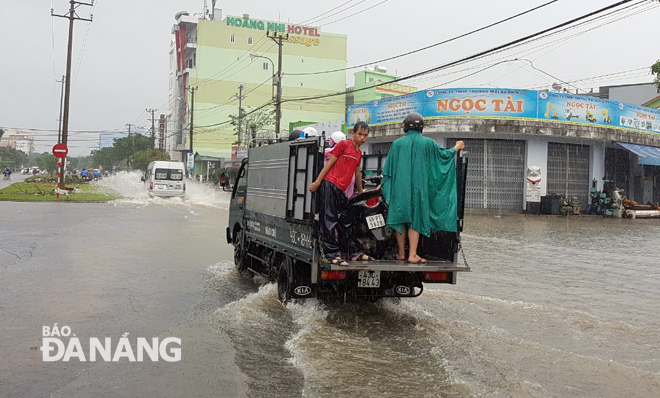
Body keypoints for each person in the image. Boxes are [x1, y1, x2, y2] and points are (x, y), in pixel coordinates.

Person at [381, 112, 465, 264]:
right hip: (419, 188)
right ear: (421, 128)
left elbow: (388, 171)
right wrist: (456, 148)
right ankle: (412, 254)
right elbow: (443, 156)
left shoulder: (397, 144)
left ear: (405, 127)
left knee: (400, 218)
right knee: (416, 219)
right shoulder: (428, 143)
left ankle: (401, 253)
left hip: (400, 188)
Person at [309, 122, 371, 265]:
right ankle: (332, 255)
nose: (362, 138)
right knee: (329, 220)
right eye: (360, 134)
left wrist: (360, 190)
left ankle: (352, 252)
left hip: (341, 190)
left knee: (346, 219)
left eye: (365, 135)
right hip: (330, 184)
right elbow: (330, 163)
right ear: (353, 134)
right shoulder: (343, 144)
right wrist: (318, 182)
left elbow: (357, 172)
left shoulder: (358, 152)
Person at [324, 131, 355, 199]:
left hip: (334, 188)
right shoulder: (351, 153)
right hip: (348, 190)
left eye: (331, 140)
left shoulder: (328, 152)